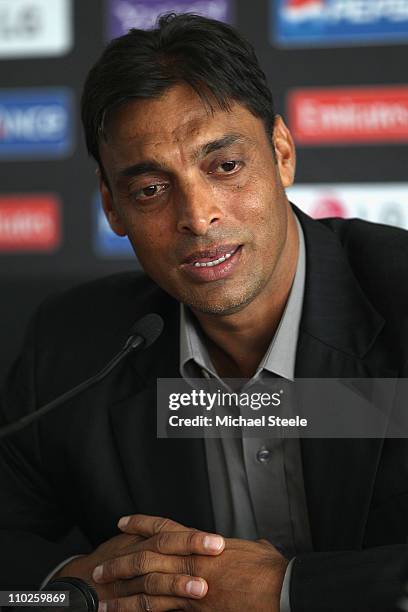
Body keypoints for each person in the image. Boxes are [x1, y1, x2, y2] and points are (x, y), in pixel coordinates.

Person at [1, 12, 408, 612]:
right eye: (150, 190)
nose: (197, 215)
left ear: (283, 153)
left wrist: (289, 590)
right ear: (113, 208)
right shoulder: (73, 347)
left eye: (225, 166)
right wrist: (74, 592)